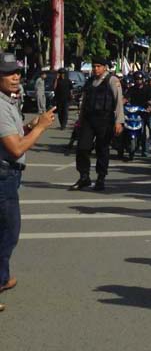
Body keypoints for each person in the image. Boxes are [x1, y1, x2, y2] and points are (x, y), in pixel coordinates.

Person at [0, 53, 57, 312]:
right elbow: (16, 147)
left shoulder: (7, 102)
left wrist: (31, 124)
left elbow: (14, 134)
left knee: (7, 230)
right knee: (7, 232)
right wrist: (41, 128)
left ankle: (3, 277)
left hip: (9, 175)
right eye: (8, 73)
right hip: (4, 176)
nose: (15, 77)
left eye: (17, 73)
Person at [71, 56, 123, 191]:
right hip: (88, 119)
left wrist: (119, 121)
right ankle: (84, 177)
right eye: (94, 66)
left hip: (105, 120)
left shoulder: (112, 80)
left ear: (105, 67)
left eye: (98, 66)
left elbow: (118, 102)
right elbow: (84, 102)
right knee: (82, 147)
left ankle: (101, 178)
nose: (95, 69)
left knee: (102, 150)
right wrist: (80, 120)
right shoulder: (89, 82)